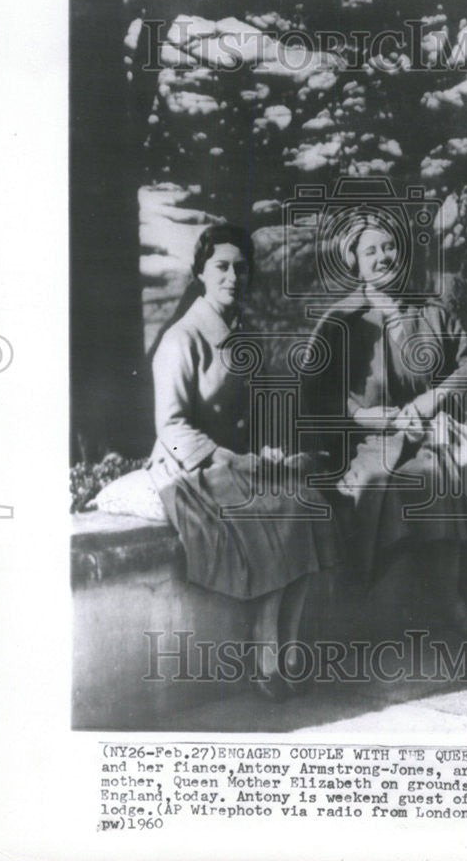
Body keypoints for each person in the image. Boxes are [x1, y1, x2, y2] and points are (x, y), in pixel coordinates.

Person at [149, 223, 336, 700]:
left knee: (306, 498)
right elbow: (170, 427)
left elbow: (253, 416)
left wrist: (268, 452)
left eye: (240, 267)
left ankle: (289, 644)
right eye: (221, 267)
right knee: (269, 508)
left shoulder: (241, 336)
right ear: (200, 273)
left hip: (232, 463)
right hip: (188, 467)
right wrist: (228, 458)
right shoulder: (181, 339)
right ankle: (265, 645)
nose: (233, 276)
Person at [305, 208, 467, 634]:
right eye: (371, 251)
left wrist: (431, 401)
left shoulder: (432, 312)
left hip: (421, 437)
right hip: (363, 444)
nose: (382, 257)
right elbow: (316, 394)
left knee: (435, 471)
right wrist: (364, 416)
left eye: (388, 248)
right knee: (374, 483)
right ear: (356, 263)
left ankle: (448, 597)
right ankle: (361, 604)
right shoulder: (339, 322)